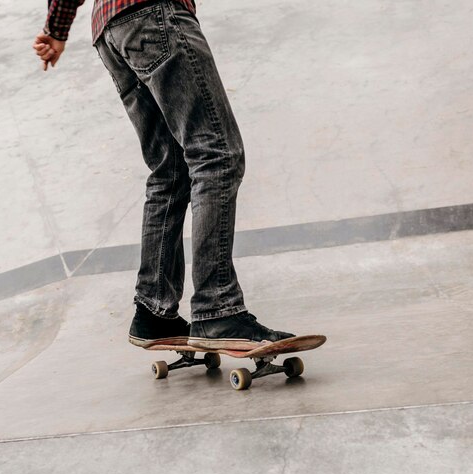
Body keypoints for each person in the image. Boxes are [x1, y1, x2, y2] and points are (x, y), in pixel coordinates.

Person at [34, 0, 295, 350]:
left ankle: (154, 312)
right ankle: (217, 310)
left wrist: (56, 28)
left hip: (111, 30)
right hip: (155, 16)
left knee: (170, 172)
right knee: (216, 155)